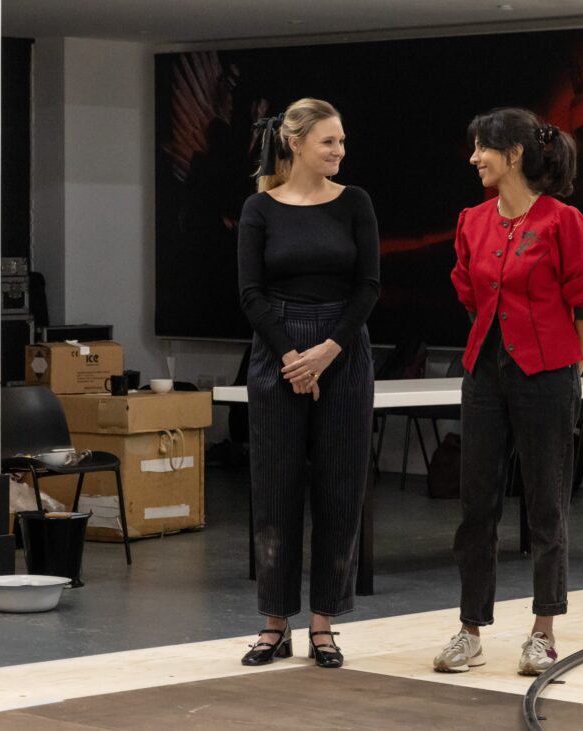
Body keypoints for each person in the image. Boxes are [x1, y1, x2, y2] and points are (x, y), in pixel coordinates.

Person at [434, 107, 583, 676]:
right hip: (485, 374)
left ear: (512, 155)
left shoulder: (562, 220)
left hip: (547, 376)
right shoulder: (472, 221)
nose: (473, 158)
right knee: (476, 505)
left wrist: (570, 369)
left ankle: (543, 632)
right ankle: (469, 631)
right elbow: (469, 294)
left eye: (482, 148)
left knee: (545, 504)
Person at [237, 98, 380, 669]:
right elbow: (250, 294)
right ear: (295, 144)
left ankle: (324, 624)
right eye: (329, 141)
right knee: (274, 490)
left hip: (341, 349)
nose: (339, 150)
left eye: (342, 141)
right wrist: (293, 358)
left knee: (340, 489)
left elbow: (368, 286)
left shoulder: (356, 202)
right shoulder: (259, 208)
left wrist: (325, 353)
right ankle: (274, 624)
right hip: (279, 352)